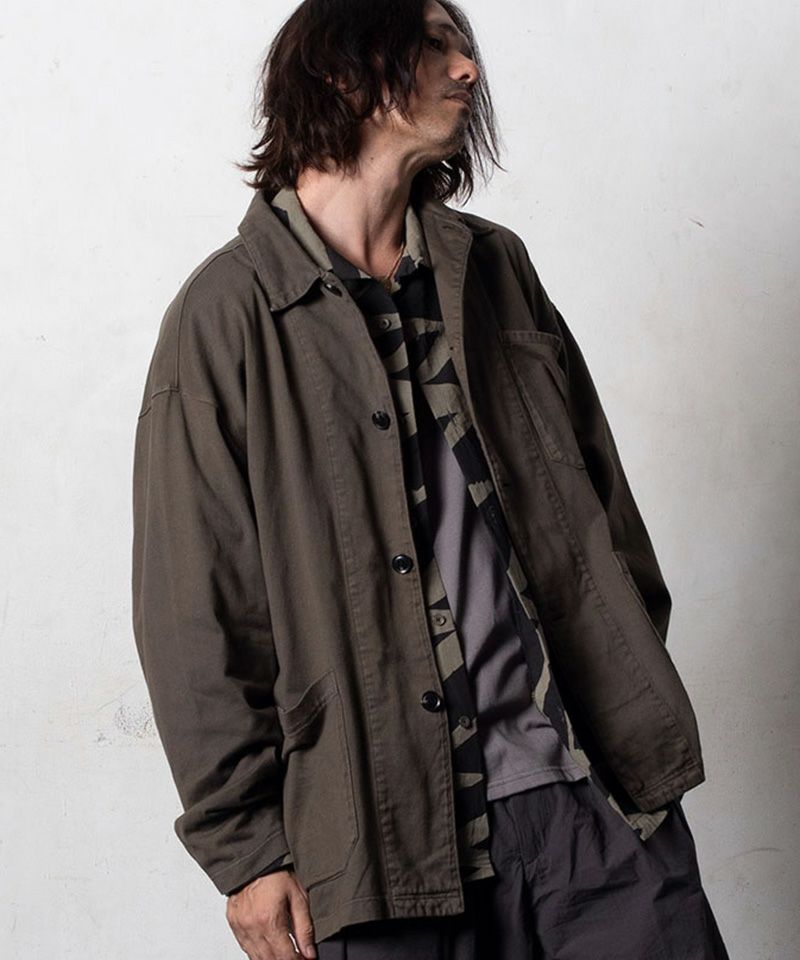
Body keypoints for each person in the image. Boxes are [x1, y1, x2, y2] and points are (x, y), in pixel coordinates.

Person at [131, 1, 731, 957]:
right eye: (433, 44)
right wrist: (247, 851)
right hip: (382, 844)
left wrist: (622, 662)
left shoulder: (492, 267)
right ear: (340, 70)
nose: (467, 70)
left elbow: (604, 504)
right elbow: (194, 615)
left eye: (464, 46)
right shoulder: (227, 315)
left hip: (593, 808)